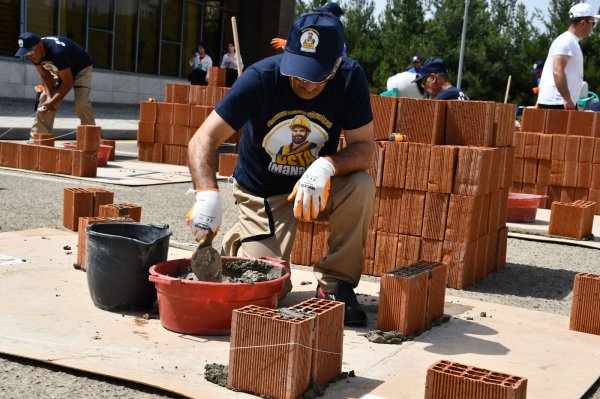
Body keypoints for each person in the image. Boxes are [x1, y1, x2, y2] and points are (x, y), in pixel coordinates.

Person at [187, 12, 375, 326]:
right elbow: (204, 138)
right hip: (262, 192)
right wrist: (207, 193)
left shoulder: (350, 77)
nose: (304, 82)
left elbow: (367, 149)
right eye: (298, 70)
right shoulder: (261, 78)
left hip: (315, 186)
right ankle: (239, 241)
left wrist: (326, 166)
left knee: (361, 185)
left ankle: (335, 285)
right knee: (272, 288)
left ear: (337, 63)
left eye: (316, 75)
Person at [15, 32, 95, 134]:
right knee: (44, 99)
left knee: (81, 104)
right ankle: (39, 136)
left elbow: (67, 83)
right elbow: (45, 76)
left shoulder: (57, 52)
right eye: (26, 54)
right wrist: (49, 98)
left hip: (81, 68)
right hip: (61, 69)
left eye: (30, 53)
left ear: (39, 46)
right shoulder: (35, 54)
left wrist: (51, 102)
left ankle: (91, 138)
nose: (29, 56)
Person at [537, 3, 599, 110]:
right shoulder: (566, 41)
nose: (592, 28)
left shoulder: (570, 41)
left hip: (560, 102)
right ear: (583, 23)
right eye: (592, 23)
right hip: (557, 102)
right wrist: (566, 99)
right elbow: (557, 70)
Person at [271, 2, 347, 56]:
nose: (319, 16)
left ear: (331, 15)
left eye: (322, 13)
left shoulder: (336, 39)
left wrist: (290, 45)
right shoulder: (328, 34)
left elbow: (313, 53)